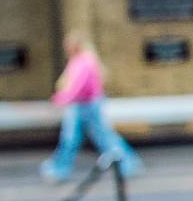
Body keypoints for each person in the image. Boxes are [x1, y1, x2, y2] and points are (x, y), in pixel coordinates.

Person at [40, 34, 142, 180]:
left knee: (77, 138)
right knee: (98, 137)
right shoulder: (82, 60)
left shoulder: (84, 61)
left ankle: (127, 164)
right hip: (85, 104)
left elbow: (78, 87)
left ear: (75, 45)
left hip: (85, 104)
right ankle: (128, 164)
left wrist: (61, 99)